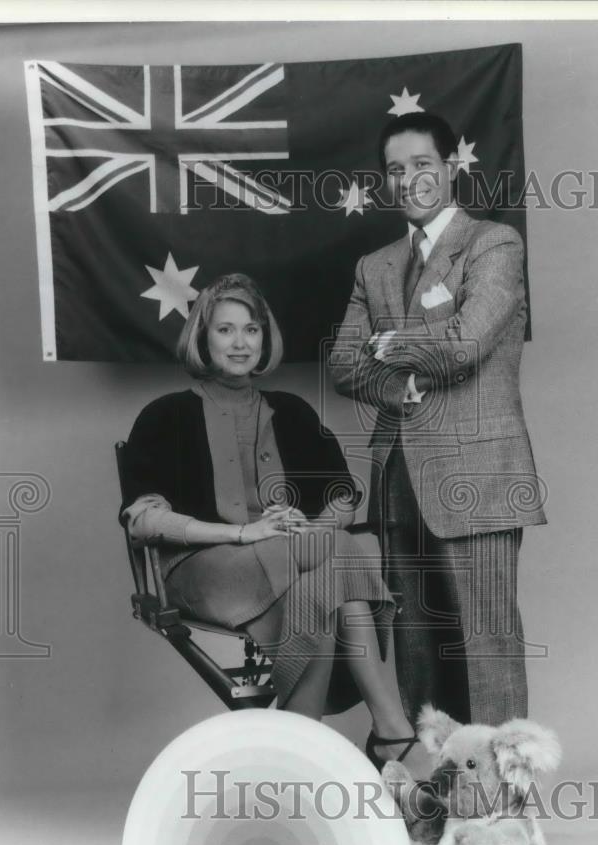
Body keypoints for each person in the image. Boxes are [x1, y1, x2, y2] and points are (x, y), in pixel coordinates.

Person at [120, 273, 417, 767]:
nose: (241, 343)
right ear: (202, 338)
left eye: (252, 330)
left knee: (317, 588)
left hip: (295, 561)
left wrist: (312, 525)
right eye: (225, 330)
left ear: (265, 338)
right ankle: (390, 731)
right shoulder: (163, 416)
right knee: (341, 557)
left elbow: (344, 494)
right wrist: (242, 531)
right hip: (202, 566)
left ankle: (301, 757)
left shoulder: (293, 412)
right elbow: (144, 521)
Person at [329, 113, 546, 727]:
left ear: (450, 167)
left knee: (486, 646)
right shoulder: (373, 265)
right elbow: (343, 367)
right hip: (398, 476)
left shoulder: (495, 244)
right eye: (395, 170)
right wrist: (402, 374)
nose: (409, 180)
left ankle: (500, 808)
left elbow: (466, 345)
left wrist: (388, 342)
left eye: (422, 164)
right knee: (419, 651)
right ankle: (436, 802)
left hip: (479, 473)